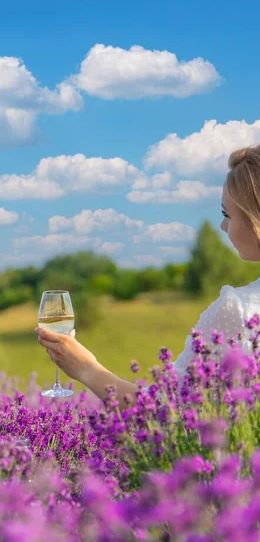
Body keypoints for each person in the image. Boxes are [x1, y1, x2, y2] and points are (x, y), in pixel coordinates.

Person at [35, 145, 260, 411]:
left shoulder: (239, 310)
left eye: (227, 214)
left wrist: (86, 369)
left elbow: (163, 410)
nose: (223, 226)